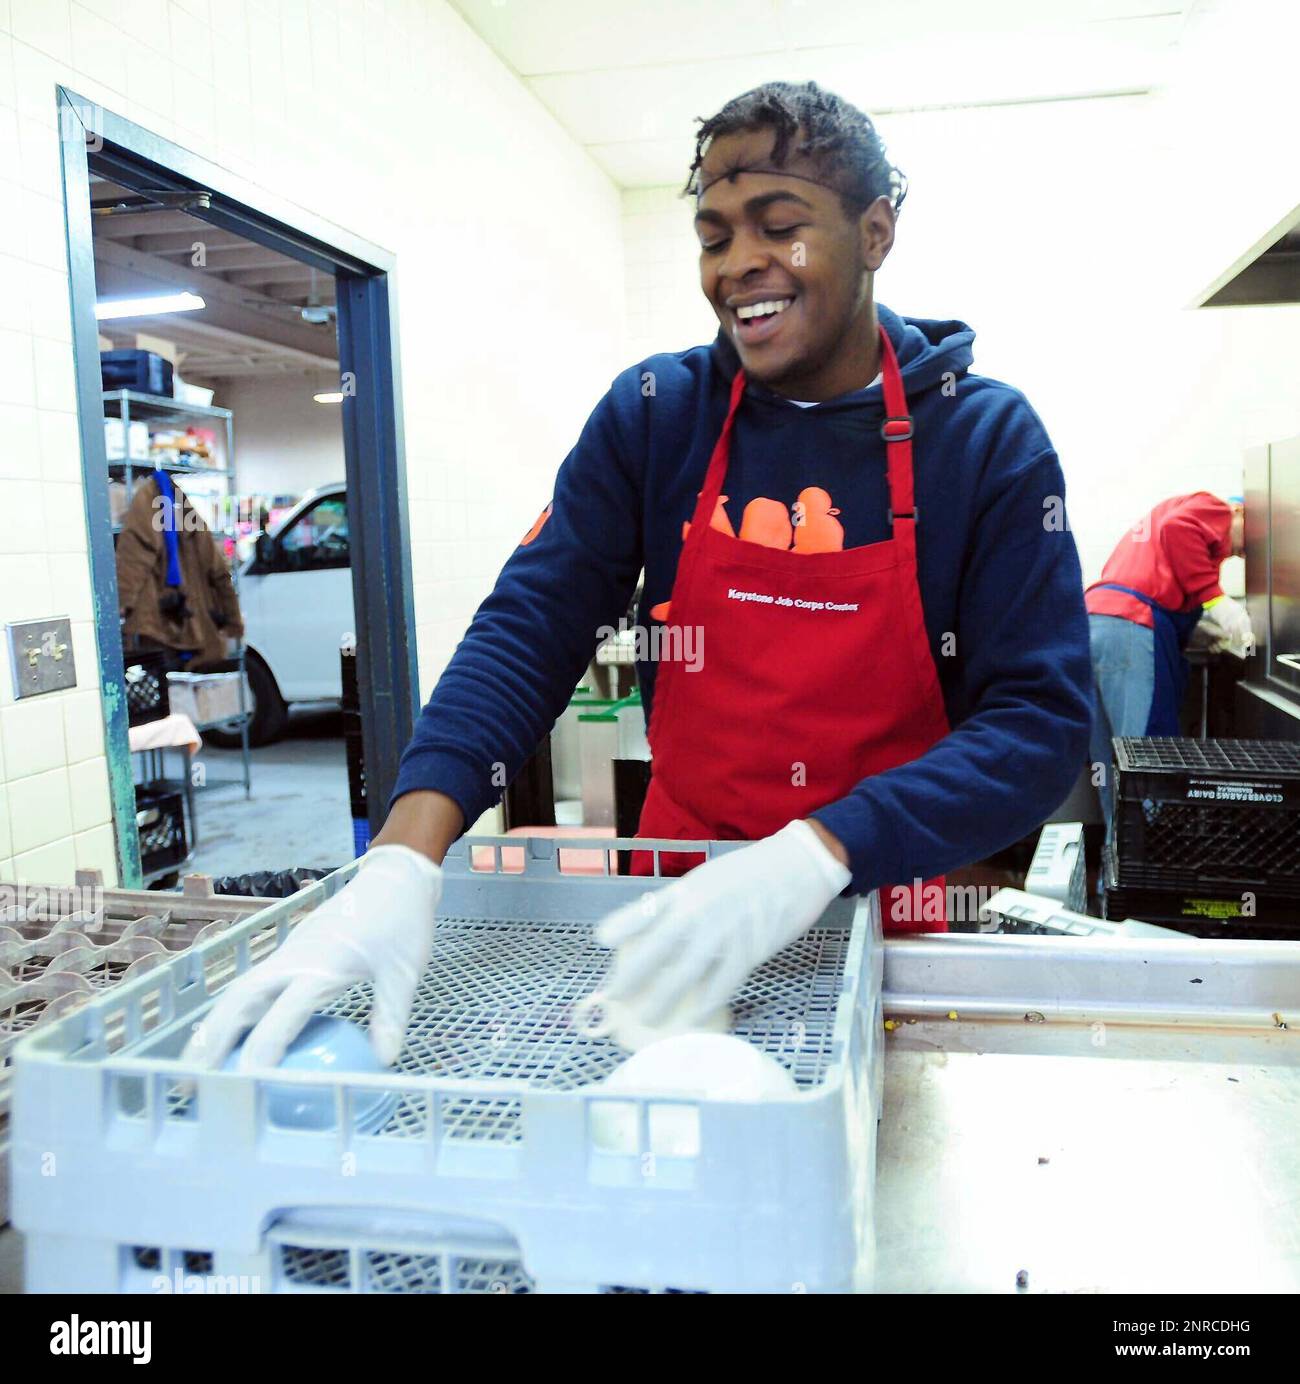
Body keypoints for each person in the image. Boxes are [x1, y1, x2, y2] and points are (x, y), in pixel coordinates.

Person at [187, 81, 1092, 1073]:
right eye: (712, 236)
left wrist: (819, 852)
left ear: (875, 231)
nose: (740, 262)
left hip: (903, 915)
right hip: (671, 901)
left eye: (778, 226)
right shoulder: (658, 415)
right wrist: (405, 853)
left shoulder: (983, 436)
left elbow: (1038, 728)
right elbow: (531, 629)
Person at [1085, 492, 1251, 824]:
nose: (1238, 553)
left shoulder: (1162, 525)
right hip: (1131, 627)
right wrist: (1216, 600)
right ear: (1239, 511)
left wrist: (1199, 623)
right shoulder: (1213, 508)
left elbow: (1165, 577)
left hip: (1091, 622)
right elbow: (1178, 529)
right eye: (1245, 544)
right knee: (1144, 756)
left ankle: (1117, 864)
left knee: (1108, 761)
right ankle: (1146, 862)